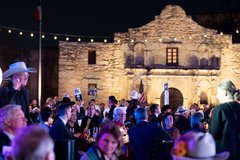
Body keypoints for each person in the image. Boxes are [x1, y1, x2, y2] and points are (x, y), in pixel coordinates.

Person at [209, 80, 240, 160]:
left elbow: (214, 133)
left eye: (218, 93)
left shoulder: (220, 109)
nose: (217, 96)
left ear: (225, 92)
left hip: (225, 153)